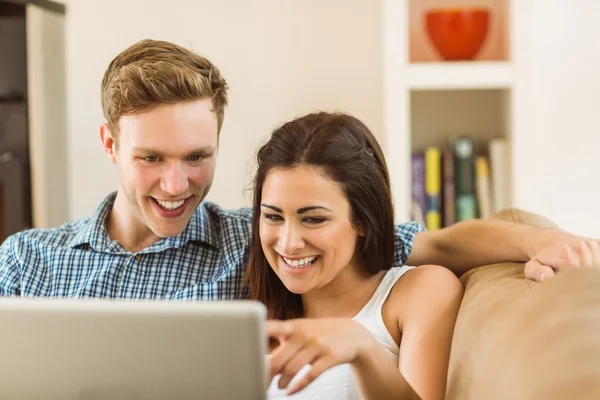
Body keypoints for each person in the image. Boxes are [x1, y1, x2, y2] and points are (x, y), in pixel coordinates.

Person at [0, 38, 598, 297]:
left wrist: (545, 239)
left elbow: (438, 245)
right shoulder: (25, 264)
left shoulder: (266, 243)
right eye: (150, 159)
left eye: (197, 157)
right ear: (110, 144)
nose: (176, 185)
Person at [246, 111, 462, 399]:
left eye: (313, 219)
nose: (288, 243)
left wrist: (363, 348)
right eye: (273, 216)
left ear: (362, 219)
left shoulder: (420, 291)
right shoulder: (255, 313)